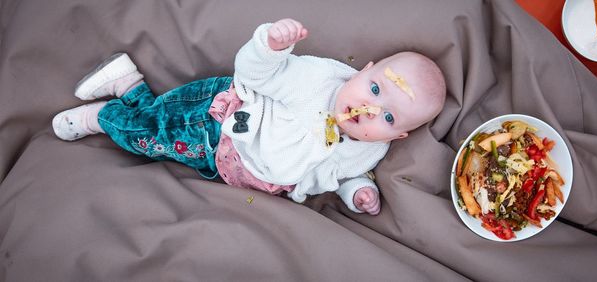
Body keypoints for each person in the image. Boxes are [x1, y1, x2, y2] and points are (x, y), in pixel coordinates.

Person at [52, 18, 446, 215]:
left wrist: (357, 192)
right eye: (375, 89)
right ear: (365, 70)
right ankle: (102, 117)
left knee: (156, 122)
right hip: (215, 122)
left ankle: (125, 81)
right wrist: (271, 47)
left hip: (227, 164)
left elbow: (345, 173)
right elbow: (256, 74)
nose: (370, 110)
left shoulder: (369, 151)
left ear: (395, 138)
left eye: (389, 117)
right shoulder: (315, 81)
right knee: (148, 137)